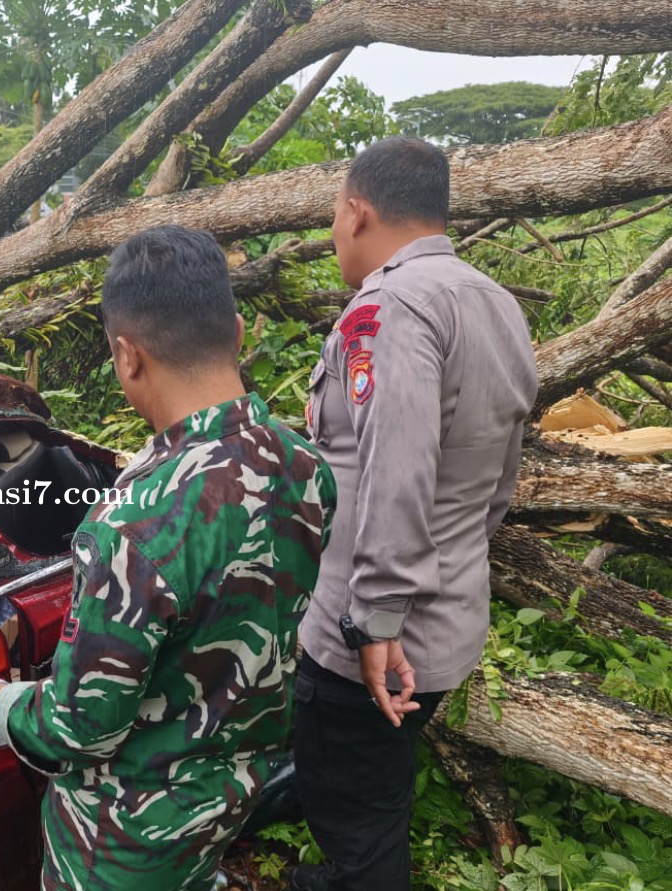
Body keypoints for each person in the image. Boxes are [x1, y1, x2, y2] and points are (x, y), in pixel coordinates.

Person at [0, 224, 337, 891]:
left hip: (125, 844)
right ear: (239, 332)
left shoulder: (132, 525)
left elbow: (79, 730)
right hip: (224, 803)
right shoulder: (304, 467)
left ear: (127, 357)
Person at [291, 137, 538, 891]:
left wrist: (376, 621)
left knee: (353, 813)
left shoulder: (389, 309)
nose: (335, 231)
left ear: (357, 212)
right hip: (448, 620)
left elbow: (395, 473)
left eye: (335, 216)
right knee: (376, 790)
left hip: (370, 645)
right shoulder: (494, 302)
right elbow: (499, 482)